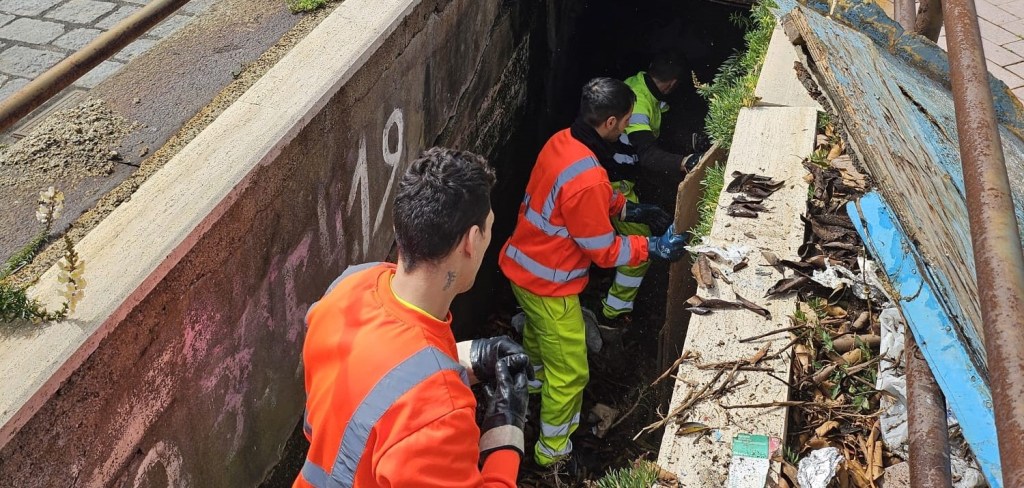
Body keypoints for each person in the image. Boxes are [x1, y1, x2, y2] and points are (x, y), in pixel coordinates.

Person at [295, 148, 533, 488]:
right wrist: (506, 430)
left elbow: (379, 380)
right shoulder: (439, 415)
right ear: (472, 241)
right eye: (490, 228)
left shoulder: (349, 286)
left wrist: (466, 358)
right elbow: (413, 395)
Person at [498, 77, 690, 468]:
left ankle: (533, 387)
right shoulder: (587, 177)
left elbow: (580, 199)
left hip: (521, 267)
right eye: (625, 123)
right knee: (570, 373)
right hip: (549, 286)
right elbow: (603, 251)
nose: (626, 130)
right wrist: (651, 246)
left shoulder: (562, 143)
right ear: (610, 123)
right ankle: (553, 454)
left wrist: (628, 208)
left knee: (537, 338)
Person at [600, 53, 708, 323]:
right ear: (672, 85)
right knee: (637, 253)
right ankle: (613, 315)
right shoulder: (638, 106)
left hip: (619, 179)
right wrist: (685, 162)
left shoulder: (639, 84)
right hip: (614, 186)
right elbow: (647, 154)